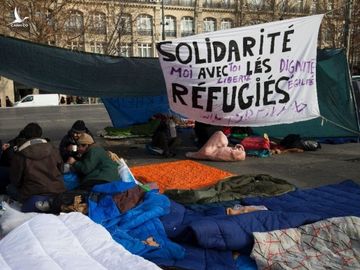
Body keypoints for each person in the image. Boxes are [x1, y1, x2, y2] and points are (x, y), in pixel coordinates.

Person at [8, 123, 66, 211]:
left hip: (31, 192)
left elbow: (16, 179)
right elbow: (61, 169)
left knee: (9, 188)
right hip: (56, 189)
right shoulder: (53, 149)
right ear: (40, 134)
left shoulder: (20, 154)